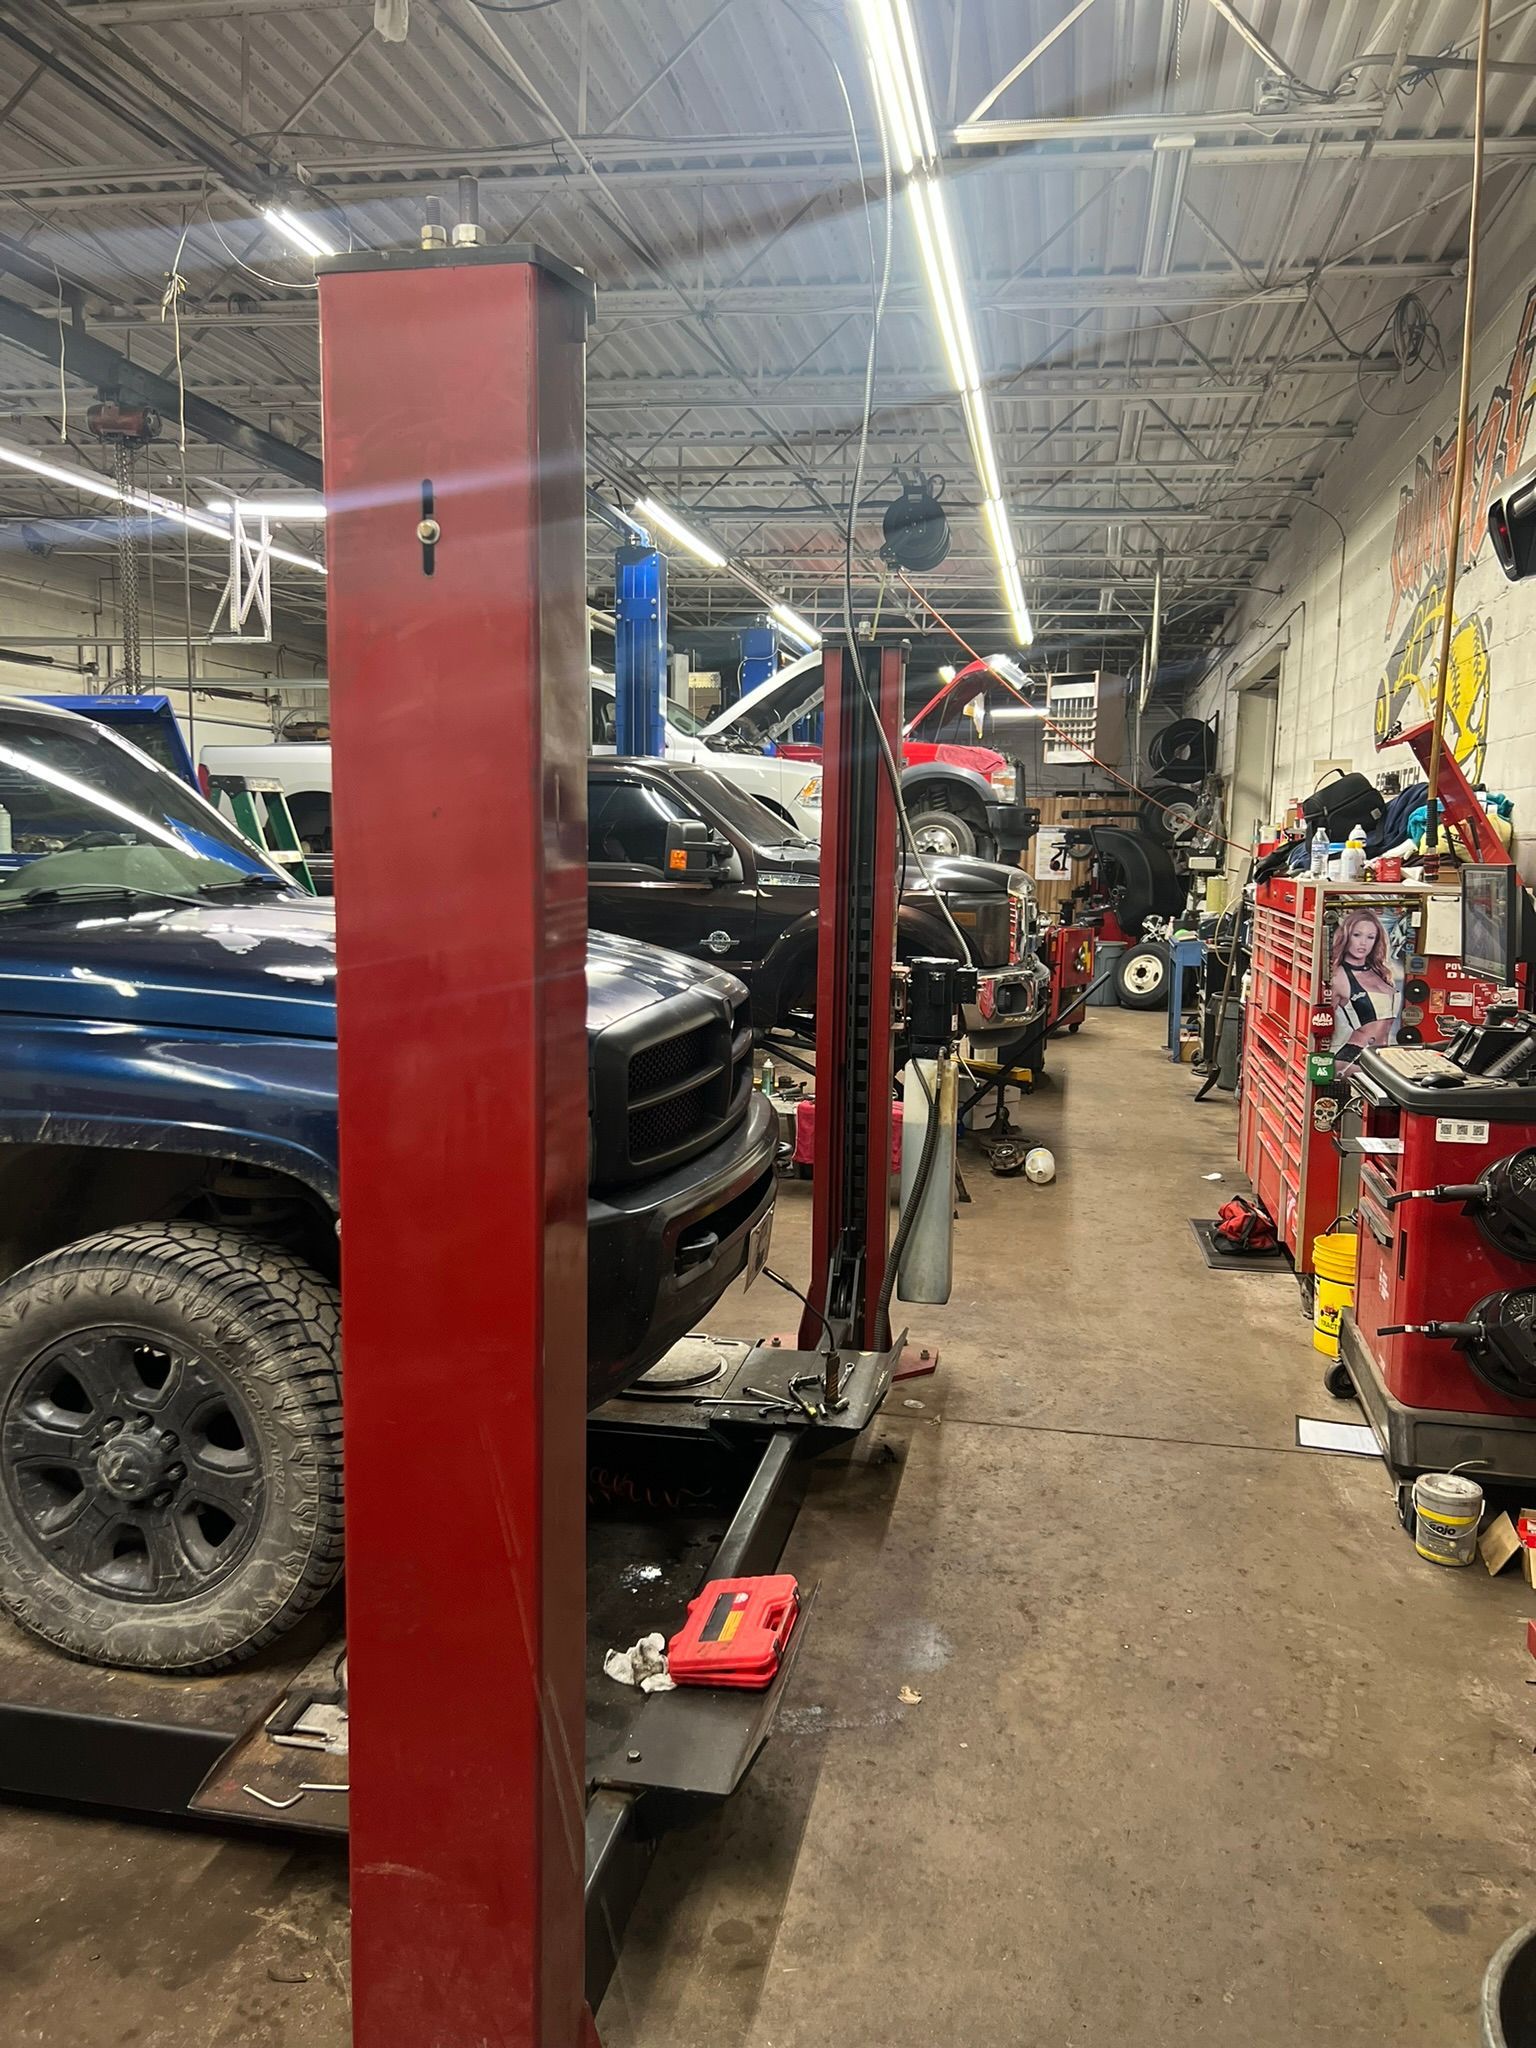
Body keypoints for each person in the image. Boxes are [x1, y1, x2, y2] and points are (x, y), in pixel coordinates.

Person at [1329, 907, 1399, 1070]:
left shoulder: (1380, 972)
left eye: (1370, 937)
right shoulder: (1338, 976)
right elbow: (1322, 1024)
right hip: (1353, 1057)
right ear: (1346, 936)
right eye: (1357, 935)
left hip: (1382, 1055)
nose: (1363, 943)